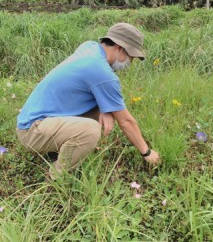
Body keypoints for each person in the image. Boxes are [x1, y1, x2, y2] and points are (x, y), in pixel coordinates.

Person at [16, 22, 161, 180]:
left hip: (35, 120)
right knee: (90, 130)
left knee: (105, 107)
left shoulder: (90, 48)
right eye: (130, 57)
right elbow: (126, 121)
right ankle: (56, 178)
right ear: (120, 48)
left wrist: (106, 110)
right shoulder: (101, 72)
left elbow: (95, 90)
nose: (130, 63)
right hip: (32, 131)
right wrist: (147, 153)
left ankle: (57, 148)